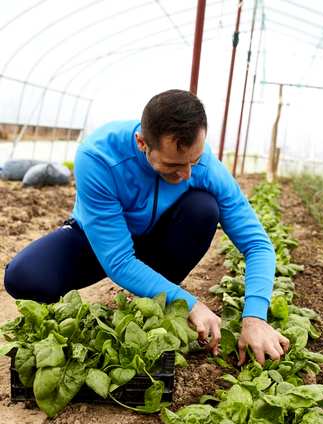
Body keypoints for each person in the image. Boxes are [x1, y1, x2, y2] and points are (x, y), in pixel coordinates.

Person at [4, 89, 289, 365]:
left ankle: (160, 296)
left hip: (157, 243)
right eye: (174, 164)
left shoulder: (205, 165)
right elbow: (118, 260)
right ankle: (162, 294)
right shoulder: (99, 156)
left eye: (195, 160)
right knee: (24, 276)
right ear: (142, 143)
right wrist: (192, 304)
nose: (187, 173)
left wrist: (255, 318)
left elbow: (257, 244)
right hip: (101, 241)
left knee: (203, 208)